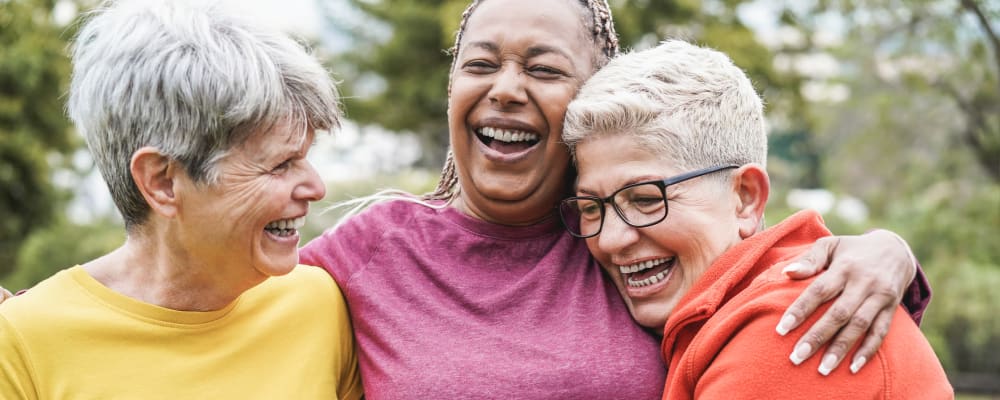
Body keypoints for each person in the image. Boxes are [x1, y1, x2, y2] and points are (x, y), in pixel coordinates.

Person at [299, 0, 929, 398]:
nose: (507, 89)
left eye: (543, 69)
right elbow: (233, 295)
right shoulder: (374, 248)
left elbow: (755, 245)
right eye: (479, 63)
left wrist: (883, 253)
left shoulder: (624, 246)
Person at [0, 1, 362, 398]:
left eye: (306, 158)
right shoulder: (21, 344)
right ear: (163, 182)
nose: (316, 187)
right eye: (280, 165)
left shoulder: (320, 308)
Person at [559, 39, 952, 398]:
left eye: (645, 199)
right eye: (592, 208)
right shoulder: (718, 314)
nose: (610, 239)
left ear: (746, 197)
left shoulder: (796, 323)